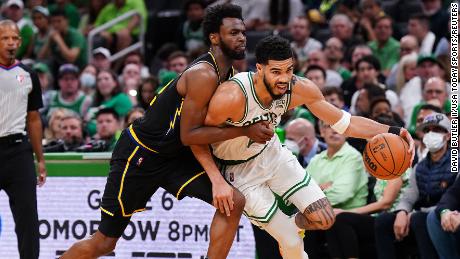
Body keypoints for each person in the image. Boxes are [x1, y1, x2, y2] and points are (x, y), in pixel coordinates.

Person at [61, 4, 272, 259]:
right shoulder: (203, 74)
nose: (242, 38)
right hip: (140, 155)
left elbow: (201, 133)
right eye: (233, 33)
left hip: (175, 157)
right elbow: (191, 135)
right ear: (214, 37)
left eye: (243, 32)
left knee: (233, 203)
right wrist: (244, 132)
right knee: (104, 243)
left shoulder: (230, 74)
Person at [203, 35, 415, 259]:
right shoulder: (232, 96)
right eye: (276, 72)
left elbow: (347, 123)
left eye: (289, 70)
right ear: (259, 69)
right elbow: (197, 138)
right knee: (292, 243)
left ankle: (292, 225)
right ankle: (289, 235)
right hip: (239, 171)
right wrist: (216, 180)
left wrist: (391, 130)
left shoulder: (298, 89)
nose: (284, 79)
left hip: (272, 154)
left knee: (324, 218)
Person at [375, 113, 454, 259]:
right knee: (384, 220)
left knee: (420, 219)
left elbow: (453, 199)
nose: (430, 134)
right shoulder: (420, 167)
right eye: (427, 130)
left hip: (444, 216)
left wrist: (415, 213)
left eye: (436, 130)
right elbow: (409, 197)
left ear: (448, 136)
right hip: (420, 216)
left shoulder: (456, 162)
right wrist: (402, 212)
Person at [0, 20, 47, 259]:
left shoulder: (28, 74)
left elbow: (34, 119)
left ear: (20, 42)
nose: (10, 43)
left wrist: (40, 159)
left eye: (14, 38)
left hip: (18, 151)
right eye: (4, 38)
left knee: (28, 219)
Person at [427, 176, 460, 259]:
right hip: (441, 204)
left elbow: (451, 178)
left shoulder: (454, 162)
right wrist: (445, 211)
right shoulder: (420, 165)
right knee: (431, 217)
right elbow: (453, 192)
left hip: (439, 202)